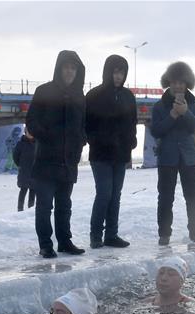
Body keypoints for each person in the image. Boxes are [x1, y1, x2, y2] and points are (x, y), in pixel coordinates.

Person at [26, 51, 87, 258]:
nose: (69, 71)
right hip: (46, 160)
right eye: (66, 67)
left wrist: (80, 142)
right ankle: (45, 244)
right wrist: (47, 135)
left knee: (64, 205)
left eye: (73, 68)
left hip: (69, 160)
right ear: (59, 69)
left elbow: (84, 125)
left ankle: (64, 241)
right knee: (44, 206)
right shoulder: (43, 91)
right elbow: (31, 121)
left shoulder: (80, 96)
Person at [85, 54, 137, 249]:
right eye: (115, 72)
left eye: (121, 72)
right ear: (108, 72)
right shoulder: (94, 95)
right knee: (104, 193)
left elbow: (132, 122)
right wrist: (96, 141)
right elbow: (87, 124)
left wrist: (131, 142)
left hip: (121, 154)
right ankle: (96, 235)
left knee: (116, 195)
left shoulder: (128, 96)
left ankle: (111, 235)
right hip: (100, 155)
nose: (118, 76)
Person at [151, 61, 195, 246]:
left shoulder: (194, 103)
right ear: (169, 82)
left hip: (189, 157)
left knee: (193, 196)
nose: (178, 86)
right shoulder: (159, 106)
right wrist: (172, 115)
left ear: (187, 84)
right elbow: (155, 131)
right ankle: (164, 235)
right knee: (165, 197)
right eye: (174, 82)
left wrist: (186, 112)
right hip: (167, 157)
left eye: (181, 82)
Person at [12, 127, 36, 212]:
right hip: (24, 172)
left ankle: (30, 209)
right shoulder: (21, 144)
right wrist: (20, 165)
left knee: (33, 191)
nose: (30, 134)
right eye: (28, 132)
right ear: (25, 132)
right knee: (23, 190)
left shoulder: (37, 143)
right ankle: (20, 209)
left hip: (34, 172)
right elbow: (15, 156)